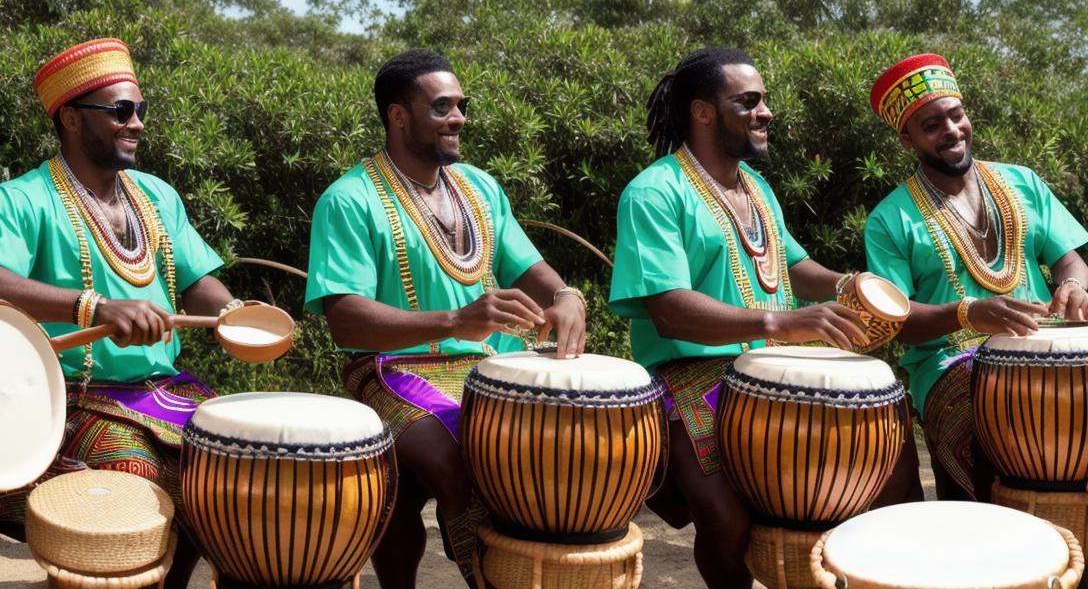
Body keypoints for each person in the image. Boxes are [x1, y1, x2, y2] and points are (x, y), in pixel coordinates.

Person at [607, 47, 920, 588]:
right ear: (704, 112)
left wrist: (849, 285)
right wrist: (778, 324)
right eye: (748, 101)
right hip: (690, 376)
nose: (765, 112)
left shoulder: (756, 188)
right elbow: (669, 310)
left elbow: (793, 265)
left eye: (764, 101)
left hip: (775, 371)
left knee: (889, 465)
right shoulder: (655, 192)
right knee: (726, 517)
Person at [0, 38, 243, 588]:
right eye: (121, 111)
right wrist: (94, 306)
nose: (137, 124)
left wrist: (237, 314)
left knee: (238, 468)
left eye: (140, 111)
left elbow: (199, 281)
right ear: (74, 120)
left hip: (166, 389)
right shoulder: (24, 199)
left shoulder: (157, 196)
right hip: (74, 397)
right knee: (140, 477)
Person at [305, 49, 587, 588]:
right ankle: (495, 578)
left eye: (461, 105)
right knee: (462, 454)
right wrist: (456, 320)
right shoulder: (348, 199)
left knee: (562, 446)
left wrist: (566, 295)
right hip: (390, 372)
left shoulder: (480, 188)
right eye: (441, 107)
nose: (458, 117)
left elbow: (530, 267)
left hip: (489, 369)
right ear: (398, 115)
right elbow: (346, 321)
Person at [864, 53, 1088, 501]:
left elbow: (1071, 258)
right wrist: (968, 313)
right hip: (950, 365)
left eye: (956, 115)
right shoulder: (889, 220)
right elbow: (896, 320)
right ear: (908, 140)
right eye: (931, 125)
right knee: (998, 426)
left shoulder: (1022, 182)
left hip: (1047, 345)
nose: (950, 131)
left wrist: (1072, 286)